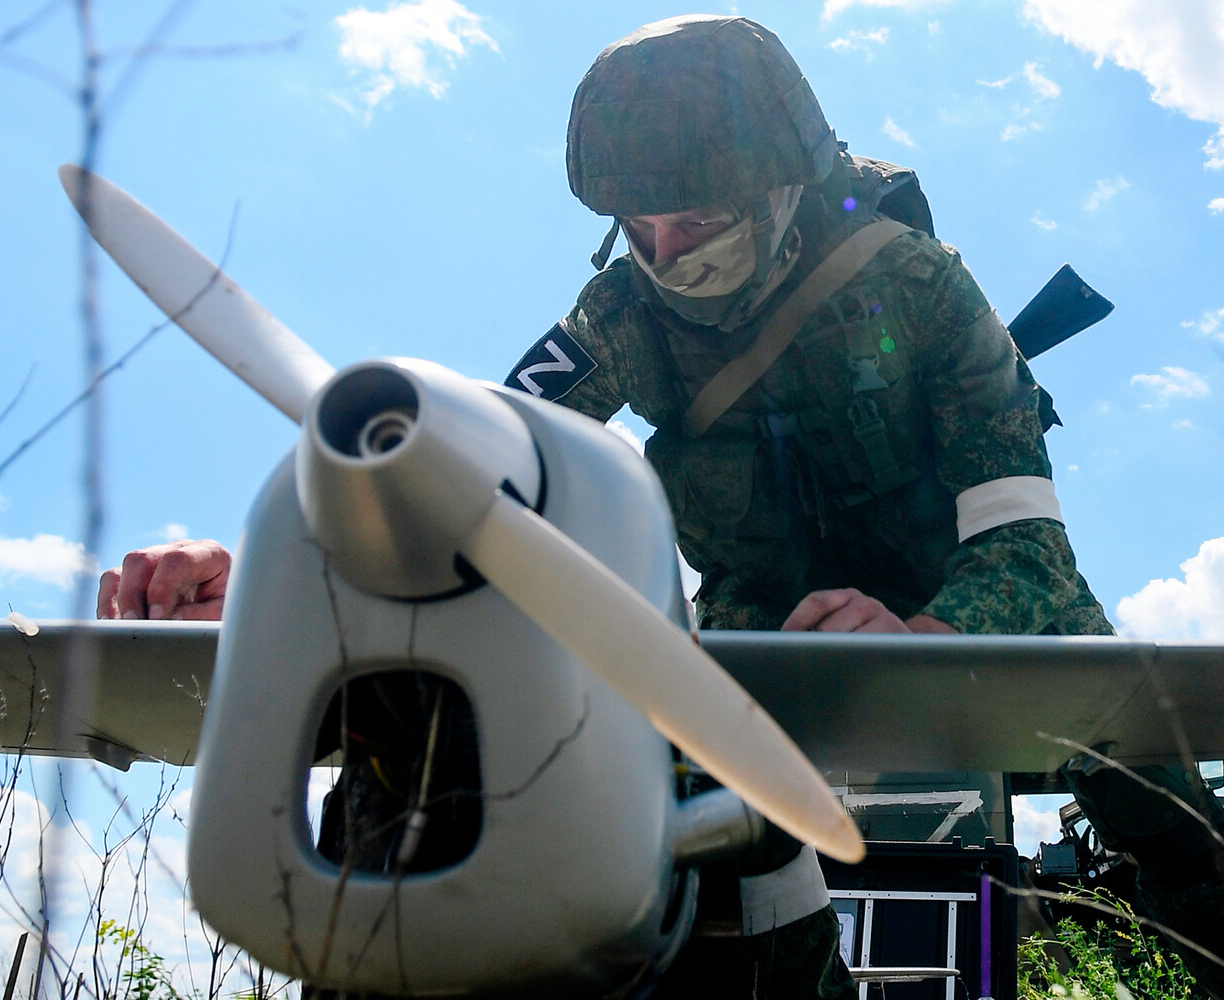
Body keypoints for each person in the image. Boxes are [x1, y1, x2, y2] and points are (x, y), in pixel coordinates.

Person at [101, 16, 1223, 998]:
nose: (663, 254)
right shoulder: (621, 310)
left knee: (1156, 790)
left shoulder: (925, 290)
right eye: (640, 229)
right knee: (695, 838)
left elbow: (1026, 541)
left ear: (781, 183)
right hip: (758, 624)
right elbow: (481, 467)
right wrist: (308, 564)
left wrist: (931, 643)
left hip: (973, 601)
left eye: (692, 222)